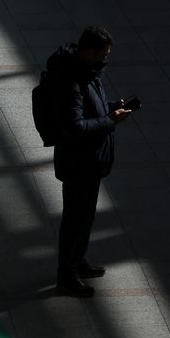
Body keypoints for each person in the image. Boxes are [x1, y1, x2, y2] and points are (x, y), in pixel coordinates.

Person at [45, 26, 131, 297]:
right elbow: (75, 126)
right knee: (74, 219)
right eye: (102, 54)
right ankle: (66, 277)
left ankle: (77, 260)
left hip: (90, 161)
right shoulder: (70, 79)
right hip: (77, 163)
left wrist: (107, 107)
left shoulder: (88, 71)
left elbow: (89, 107)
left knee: (85, 216)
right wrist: (110, 121)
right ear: (87, 51)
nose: (106, 59)